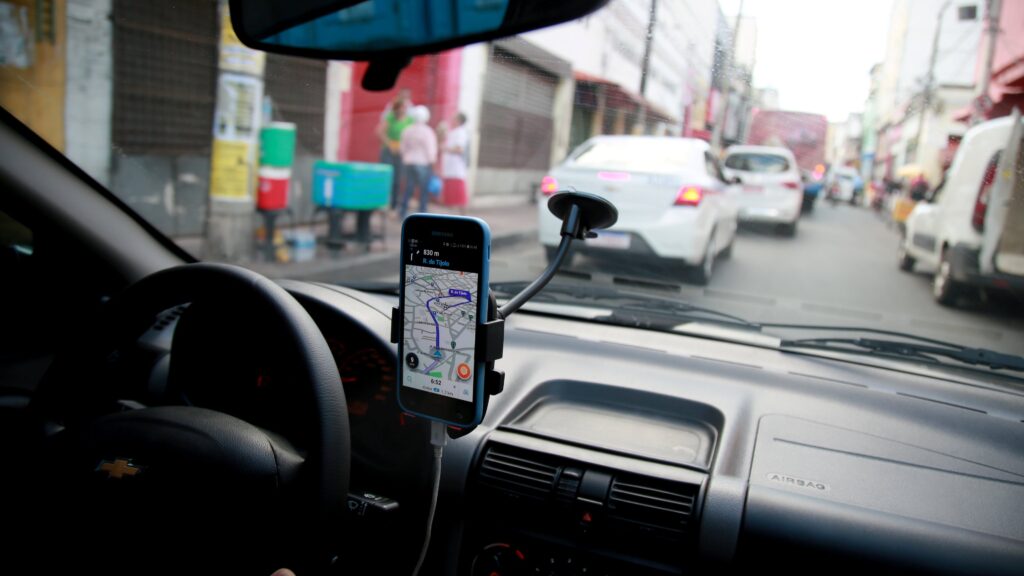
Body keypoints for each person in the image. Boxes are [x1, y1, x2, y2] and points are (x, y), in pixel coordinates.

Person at [376, 90, 414, 209]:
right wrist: (390, 144)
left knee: (398, 179)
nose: (402, 109)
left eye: (404, 107)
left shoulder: (409, 120)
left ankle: (393, 206)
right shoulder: (390, 117)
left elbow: (411, 137)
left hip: (401, 152)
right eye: (400, 107)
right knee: (385, 177)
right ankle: (381, 203)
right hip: (388, 151)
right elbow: (379, 132)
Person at [399, 105, 438, 219]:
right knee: (423, 189)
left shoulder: (407, 130)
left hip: (409, 162)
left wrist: (406, 157)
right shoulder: (428, 132)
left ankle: (403, 211)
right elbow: (430, 150)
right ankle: (422, 213)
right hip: (423, 164)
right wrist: (433, 164)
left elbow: (403, 148)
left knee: (408, 188)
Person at [441, 112, 470, 215]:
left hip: (456, 171)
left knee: (460, 199)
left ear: (459, 121)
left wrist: (445, 148)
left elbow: (459, 149)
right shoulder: (453, 132)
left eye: (454, 118)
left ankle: (466, 220)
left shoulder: (461, 132)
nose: (452, 120)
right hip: (449, 170)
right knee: (450, 200)